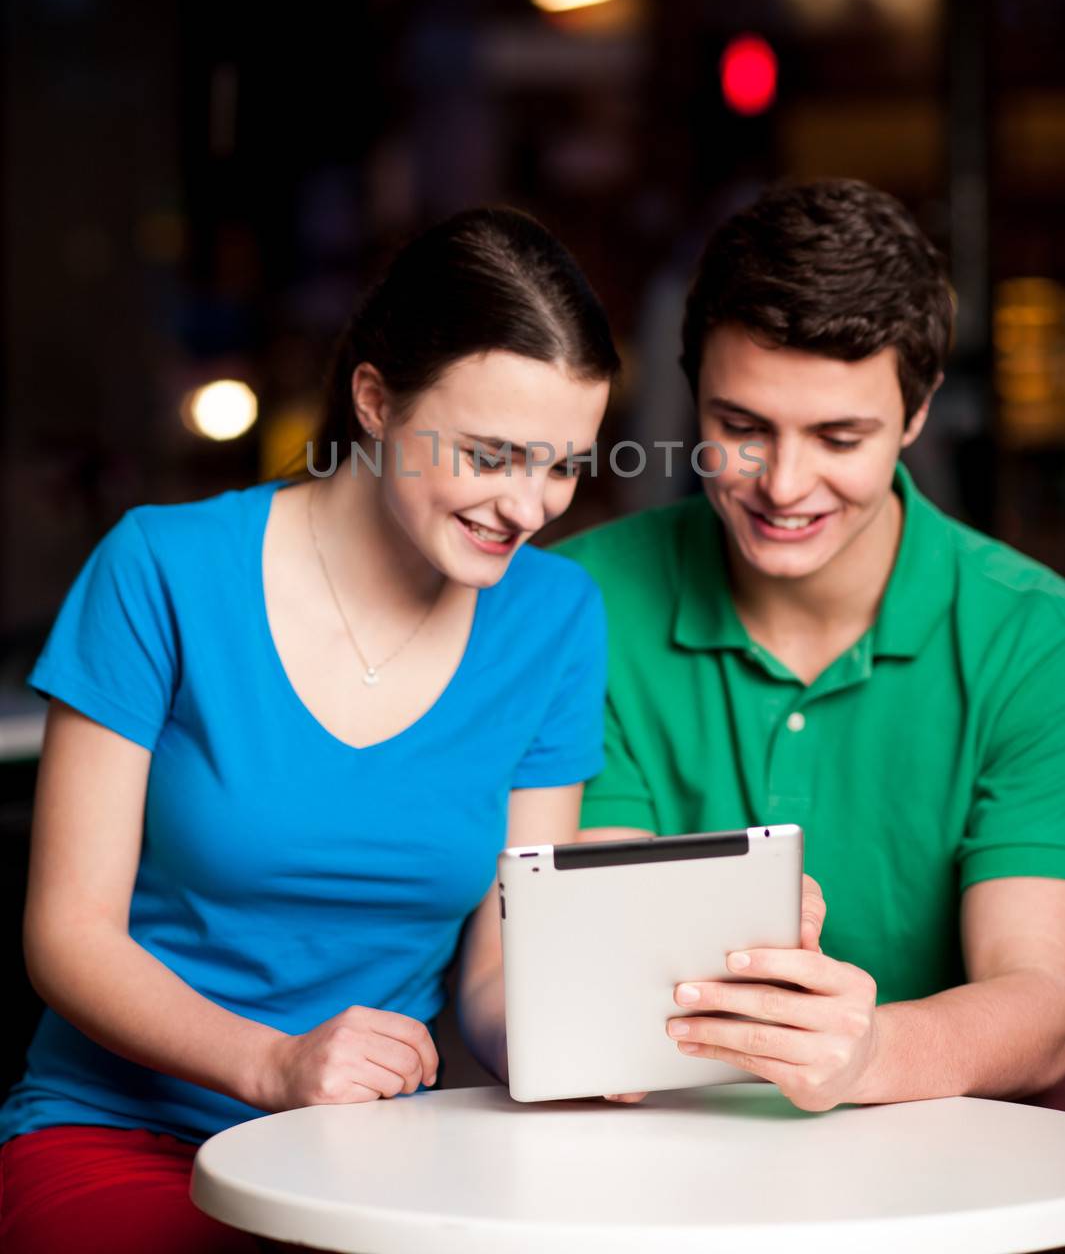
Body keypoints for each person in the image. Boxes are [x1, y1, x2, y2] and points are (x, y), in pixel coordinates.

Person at [0, 207, 618, 1254]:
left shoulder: (554, 617)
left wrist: (590, 1051)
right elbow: (67, 935)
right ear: (375, 401)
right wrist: (272, 1066)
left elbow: (499, 966)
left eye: (561, 466)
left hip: (371, 1160)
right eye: (491, 453)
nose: (528, 505)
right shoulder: (162, 570)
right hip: (126, 1133)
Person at [556, 179, 1065, 1113]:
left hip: (947, 1196)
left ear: (915, 416)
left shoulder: (1034, 637)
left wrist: (869, 1055)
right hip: (648, 1170)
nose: (783, 485)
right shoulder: (580, 604)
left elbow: (1041, 1000)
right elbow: (589, 946)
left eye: (839, 436)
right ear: (690, 394)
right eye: (741, 428)